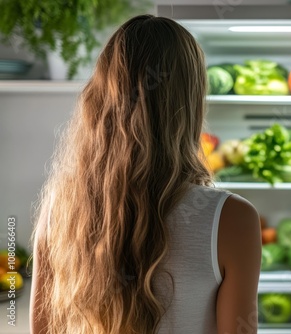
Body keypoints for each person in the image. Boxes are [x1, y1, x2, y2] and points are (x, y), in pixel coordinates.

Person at [29, 15, 262, 334]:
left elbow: (42, 329)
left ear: (101, 98)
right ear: (191, 103)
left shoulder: (61, 207)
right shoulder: (232, 219)